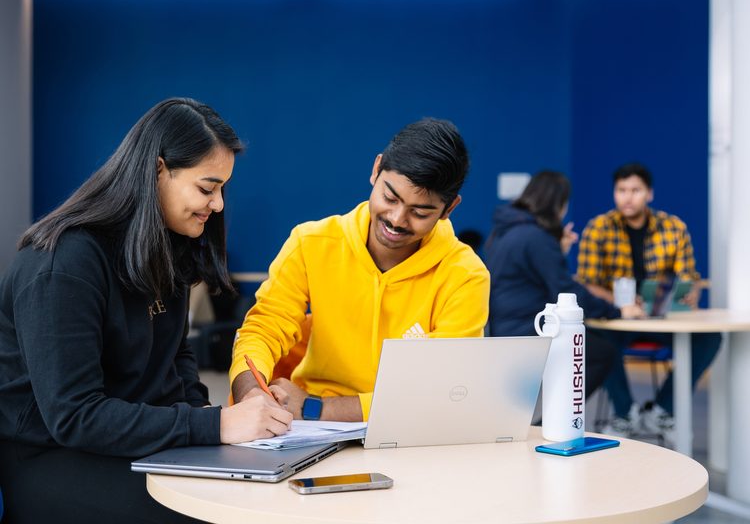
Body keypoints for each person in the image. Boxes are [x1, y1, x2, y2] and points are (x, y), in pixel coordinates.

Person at [0, 98, 292, 523]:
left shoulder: (164, 249)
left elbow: (177, 357)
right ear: (157, 170)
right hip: (52, 458)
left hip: (135, 445)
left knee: (262, 495)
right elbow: (74, 415)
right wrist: (214, 428)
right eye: (207, 188)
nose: (219, 206)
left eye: (223, 190)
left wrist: (218, 436)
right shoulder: (61, 264)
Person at [230, 118, 490, 422]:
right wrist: (251, 393)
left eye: (420, 212)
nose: (397, 219)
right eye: (389, 197)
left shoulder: (465, 274)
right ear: (376, 169)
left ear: (449, 209)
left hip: (409, 432)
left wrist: (317, 409)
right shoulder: (311, 242)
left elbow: (442, 388)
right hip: (310, 433)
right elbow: (265, 328)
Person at [576, 163, 722, 441]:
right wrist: (623, 306)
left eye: (635, 190)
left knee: (710, 338)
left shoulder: (673, 227)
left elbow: (688, 276)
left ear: (649, 194)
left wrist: (689, 293)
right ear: (614, 193)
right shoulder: (599, 228)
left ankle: (661, 410)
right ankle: (625, 413)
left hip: (661, 318)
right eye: (621, 190)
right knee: (592, 337)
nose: (628, 197)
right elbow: (589, 283)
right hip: (617, 320)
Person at [485, 171, 644, 398]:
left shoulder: (506, 231)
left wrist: (557, 250)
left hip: (504, 330)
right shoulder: (536, 238)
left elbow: (531, 280)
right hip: (527, 332)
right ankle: (552, 420)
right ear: (557, 204)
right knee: (603, 353)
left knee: (597, 346)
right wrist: (617, 311)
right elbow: (567, 293)